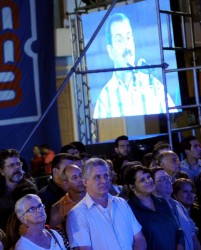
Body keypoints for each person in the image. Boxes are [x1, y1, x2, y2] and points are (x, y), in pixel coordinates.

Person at [93, 13, 176, 119]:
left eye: (128, 37)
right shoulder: (105, 98)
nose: (127, 46)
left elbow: (174, 117)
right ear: (110, 51)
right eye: (119, 40)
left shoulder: (152, 84)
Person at [66, 158, 147, 250]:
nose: (104, 181)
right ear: (85, 181)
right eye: (97, 177)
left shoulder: (122, 203)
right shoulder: (77, 214)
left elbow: (139, 238)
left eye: (106, 176)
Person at [125, 164, 185, 250]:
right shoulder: (129, 209)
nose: (148, 181)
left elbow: (178, 231)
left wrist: (180, 247)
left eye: (148, 177)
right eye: (142, 180)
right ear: (132, 187)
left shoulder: (162, 202)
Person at [151, 167, 200, 250]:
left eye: (168, 177)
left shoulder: (179, 205)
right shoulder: (153, 210)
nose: (168, 180)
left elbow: (193, 235)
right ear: (152, 185)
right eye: (163, 178)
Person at [0, 149, 36, 231]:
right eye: (11, 165)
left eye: (18, 164)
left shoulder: (30, 188)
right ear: (2, 171)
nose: (17, 168)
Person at [38, 153, 77, 224]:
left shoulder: (79, 192)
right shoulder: (42, 198)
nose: (72, 172)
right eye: (68, 169)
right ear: (55, 172)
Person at [49, 164, 86, 232]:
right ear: (66, 184)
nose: (80, 180)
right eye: (74, 177)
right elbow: (58, 235)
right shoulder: (58, 207)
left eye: (81, 176)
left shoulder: (96, 197)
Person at [172, 178, 201, 244]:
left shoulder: (198, 212)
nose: (189, 195)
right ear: (175, 196)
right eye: (185, 191)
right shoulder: (174, 215)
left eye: (191, 191)